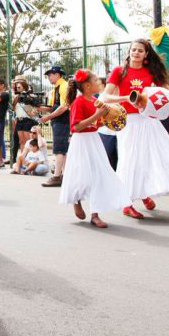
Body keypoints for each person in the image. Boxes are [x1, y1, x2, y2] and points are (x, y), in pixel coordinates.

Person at [104, 39, 169, 218]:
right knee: (130, 160)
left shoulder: (152, 71)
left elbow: (168, 94)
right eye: (133, 50)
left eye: (140, 50)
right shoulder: (119, 71)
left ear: (146, 54)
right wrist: (129, 98)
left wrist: (154, 100)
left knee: (154, 157)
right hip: (128, 121)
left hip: (149, 120)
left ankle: (144, 194)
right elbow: (105, 97)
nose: (136, 53)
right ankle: (127, 203)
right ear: (129, 51)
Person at [59, 69, 131, 228]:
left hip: (94, 140)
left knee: (98, 175)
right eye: (97, 81)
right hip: (81, 142)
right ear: (87, 85)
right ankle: (76, 200)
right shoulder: (79, 102)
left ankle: (95, 214)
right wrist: (97, 116)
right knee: (82, 175)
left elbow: (95, 124)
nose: (100, 84)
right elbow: (76, 127)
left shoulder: (94, 100)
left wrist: (108, 118)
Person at [39, 66, 70, 187]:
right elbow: (53, 107)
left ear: (57, 74)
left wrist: (48, 117)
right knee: (62, 150)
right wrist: (37, 107)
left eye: (50, 75)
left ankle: (57, 176)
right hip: (59, 121)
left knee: (59, 149)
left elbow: (64, 106)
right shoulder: (56, 88)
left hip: (63, 120)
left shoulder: (64, 86)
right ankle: (64, 175)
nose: (48, 77)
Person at [11, 78, 39, 165]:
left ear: (24, 87)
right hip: (19, 120)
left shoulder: (30, 96)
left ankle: (30, 159)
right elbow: (13, 108)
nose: (17, 89)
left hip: (27, 120)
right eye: (17, 87)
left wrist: (33, 111)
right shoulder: (16, 97)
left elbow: (36, 107)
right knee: (22, 141)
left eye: (19, 87)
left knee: (28, 141)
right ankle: (23, 159)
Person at [97, 78, 118, 171]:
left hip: (121, 133)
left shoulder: (124, 96)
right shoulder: (102, 97)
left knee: (119, 160)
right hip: (105, 133)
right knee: (106, 159)